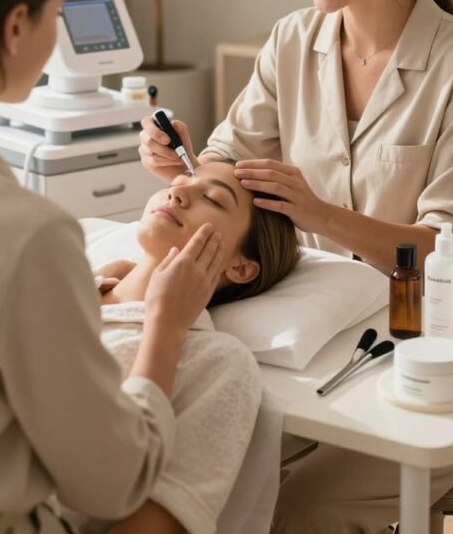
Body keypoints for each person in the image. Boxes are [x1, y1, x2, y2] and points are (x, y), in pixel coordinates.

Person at [139, 0, 453, 534]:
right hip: (308, 341)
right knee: (205, 478)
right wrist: (179, 161)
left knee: (297, 508)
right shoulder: (289, 42)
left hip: (417, 351)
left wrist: (321, 213)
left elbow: (448, 248)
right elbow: (228, 157)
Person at [0, 0, 225, 534]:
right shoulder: (26, 235)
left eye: (217, 196)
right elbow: (111, 482)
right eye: (56, 11)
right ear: (18, 26)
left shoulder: (30, 245)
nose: (185, 192)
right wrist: (164, 327)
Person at [70, 160, 300, 534]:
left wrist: (166, 326)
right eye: (180, 180)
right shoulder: (63, 286)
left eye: (212, 198)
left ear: (241, 267)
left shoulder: (217, 364)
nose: (177, 191)